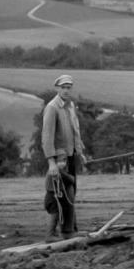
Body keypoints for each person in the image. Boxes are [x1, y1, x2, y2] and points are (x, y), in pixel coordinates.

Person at [41, 74, 87, 239]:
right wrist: (51, 163)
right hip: (60, 161)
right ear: (57, 88)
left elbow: (76, 132)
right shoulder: (52, 107)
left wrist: (80, 153)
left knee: (71, 192)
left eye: (69, 88)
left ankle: (71, 229)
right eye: (63, 88)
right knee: (63, 195)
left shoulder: (70, 106)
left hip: (71, 157)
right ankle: (62, 233)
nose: (66, 91)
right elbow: (47, 137)